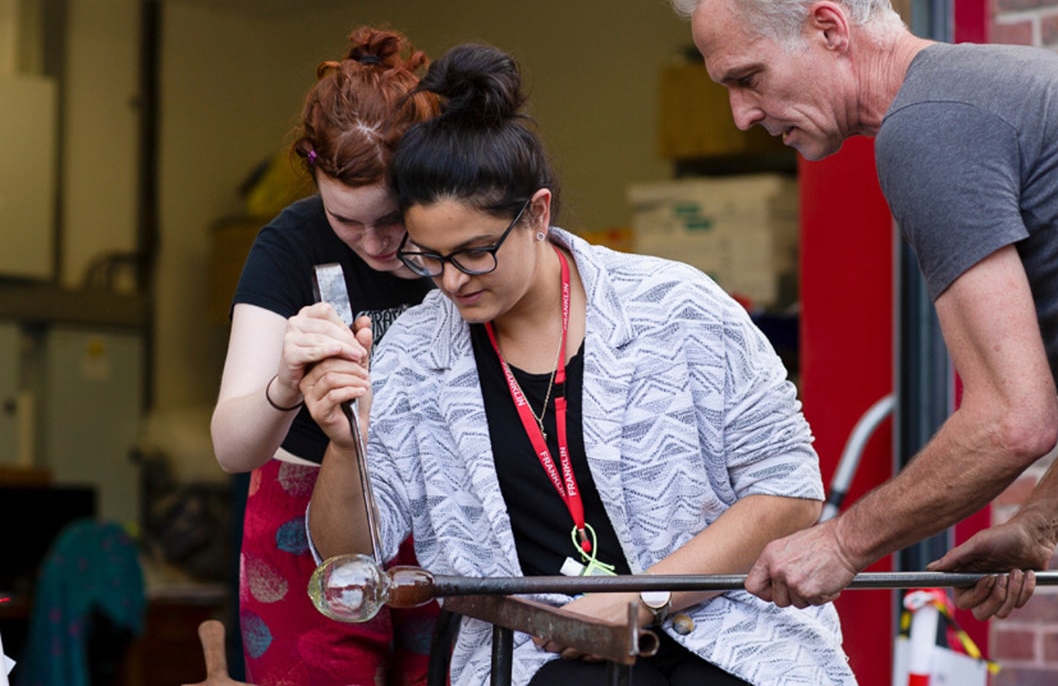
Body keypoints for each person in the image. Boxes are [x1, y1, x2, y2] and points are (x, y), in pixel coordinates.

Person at [661, 0, 1058, 684]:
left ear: (830, 29)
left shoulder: (926, 128)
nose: (742, 114)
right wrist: (1042, 521)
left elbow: (1012, 422)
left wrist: (842, 541)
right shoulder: (996, 83)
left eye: (749, 77)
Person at [301, 43, 856, 686]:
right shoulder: (417, 354)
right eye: (428, 258)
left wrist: (642, 598)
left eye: (475, 252)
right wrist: (346, 448)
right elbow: (350, 556)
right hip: (543, 655)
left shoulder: (675, 306)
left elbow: (788, 488)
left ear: (536, 213)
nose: (451, 282)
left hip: (729, 631)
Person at [209, 26, 440, 685]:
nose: (372, 243)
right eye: (346, 222)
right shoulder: (288, 245)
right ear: (314, 174)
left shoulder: (459, 240)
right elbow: (232, 447)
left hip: (436, 507)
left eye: (393, 218)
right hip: (301, 508)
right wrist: (283, 384)